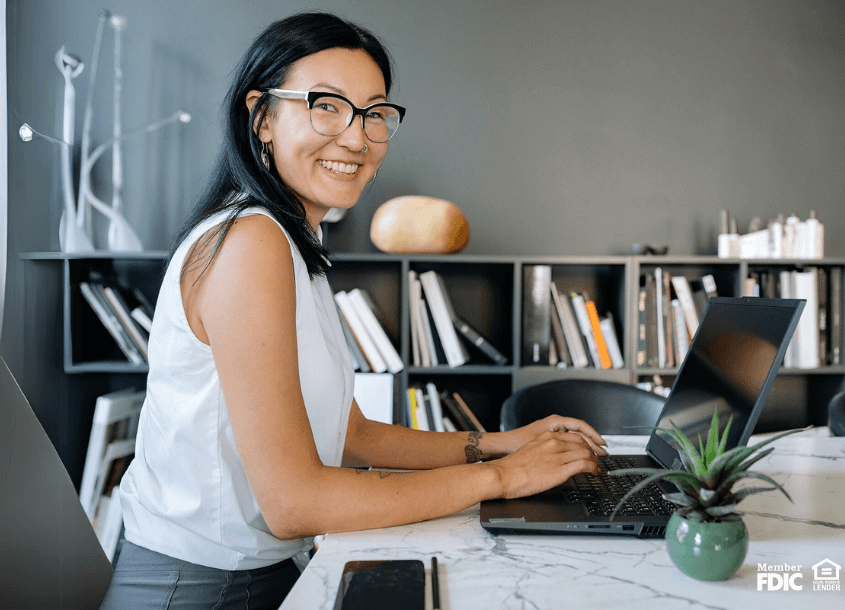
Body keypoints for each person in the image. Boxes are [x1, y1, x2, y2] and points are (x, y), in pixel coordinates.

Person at [100, 11, 607, 610]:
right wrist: (505, 478)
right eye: (326, 105)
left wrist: (500, 443)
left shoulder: (289, 241)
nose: (357, 136)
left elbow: (352, 436)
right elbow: (295, 503)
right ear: (262, 117)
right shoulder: (249, 244)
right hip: (199, 590)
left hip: (259, 573)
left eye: (374, 113)